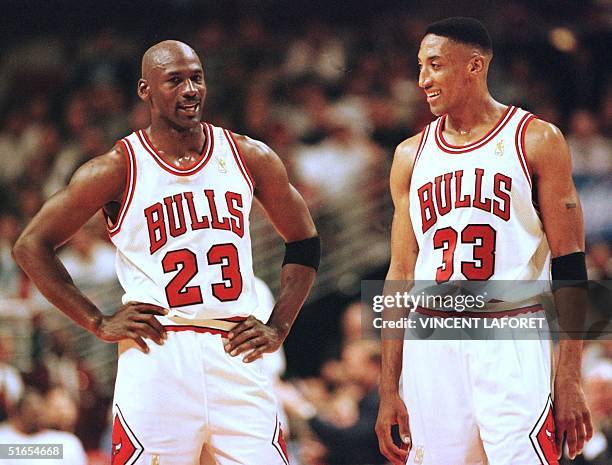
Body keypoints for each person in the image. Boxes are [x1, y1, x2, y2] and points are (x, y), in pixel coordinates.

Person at [13, 40, 320, 464]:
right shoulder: (117, 167)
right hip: (158, 352)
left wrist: (279, 325)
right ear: (145, 90)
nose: (190, 90)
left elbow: (304, 242)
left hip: (235, 348)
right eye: (174, 80)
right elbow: (31, 245)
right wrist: (96, 321)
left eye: (196, 78)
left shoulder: (249, 156)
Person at [375, 18, 592, 465]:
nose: (422, 80)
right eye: (420, 67)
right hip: (430, 340)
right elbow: (399, 275)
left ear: (474, 65)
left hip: (510, 334)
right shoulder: (409, 155)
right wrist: (388, 388)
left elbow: (570, 264)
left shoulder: (536, 139)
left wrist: (570, 375)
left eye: (434, 65)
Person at [0, 387, 87, 465]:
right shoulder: (3, 440)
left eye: (38, 413)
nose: (35, 417)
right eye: (30, 413)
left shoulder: (67, 442)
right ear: (16, 414)